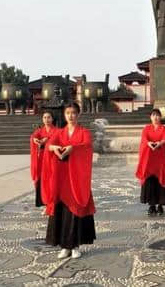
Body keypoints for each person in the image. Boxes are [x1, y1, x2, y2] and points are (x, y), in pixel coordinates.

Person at [44, 103, 96, 259]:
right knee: (62, 212)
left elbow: (86, 146)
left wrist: (73, 148)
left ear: (78, 114)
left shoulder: (84, 132)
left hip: (77, 179)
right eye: (68, 113)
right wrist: (53, 148)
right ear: (64, 115)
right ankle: (64, 246)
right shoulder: (60, 132)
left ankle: (75, 246)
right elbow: (49, 145)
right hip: (62, 178)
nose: (71, 116)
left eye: (73, 113)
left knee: (76, 212)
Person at [135, 108, 165, 216]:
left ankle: (160, 205)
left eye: (157, 115)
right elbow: (144, 139)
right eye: (153, 115)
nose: (155, 117)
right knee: (150, 182)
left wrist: (159, 143)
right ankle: (151, 205)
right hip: (149, 161)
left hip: (161, 160)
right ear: (150, 117)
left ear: (160, 117)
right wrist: (148, 143)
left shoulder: (164, 128)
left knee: (161, 181)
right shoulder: (146, 128)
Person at [29, 111, 58, 207]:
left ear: (52, 119)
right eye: (44, 117)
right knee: (41, 179)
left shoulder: (57, 130)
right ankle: (43, 202)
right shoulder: (40, 131)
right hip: (41, 159)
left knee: (50, 179)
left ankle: (51, 203)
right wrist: (35, 139)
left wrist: (47, 139)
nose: (46, 119)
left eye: (49, 117)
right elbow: (34, 136)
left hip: (52, 159)